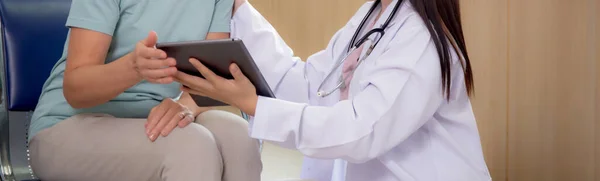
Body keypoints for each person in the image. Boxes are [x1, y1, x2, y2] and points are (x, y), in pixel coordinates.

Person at [176, 0, 492, 180]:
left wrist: (254, 104)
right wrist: (238, 8)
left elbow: (362, 131)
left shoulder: (421, 38)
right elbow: (313, 88)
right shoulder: (375, 14)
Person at [28, 0, 262, 181]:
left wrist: (185, 106)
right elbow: (75, 91)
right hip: (67, 125)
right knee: (190, 145)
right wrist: (133, 68)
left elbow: (209, 77)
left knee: (239, 136)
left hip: (149, 120)